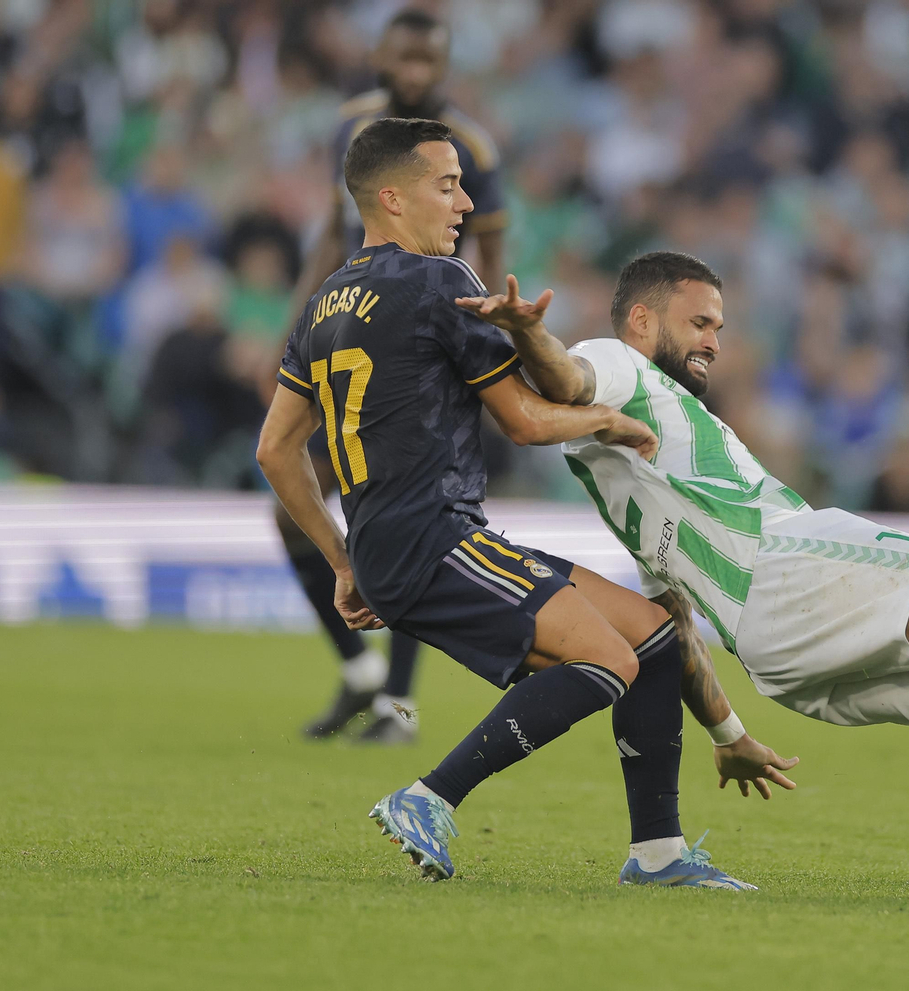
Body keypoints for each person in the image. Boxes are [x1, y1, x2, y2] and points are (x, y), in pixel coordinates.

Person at [456, 250, 909, 893]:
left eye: (719, 326)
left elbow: (673, 626)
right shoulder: (619, 364)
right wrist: (533, 331)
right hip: (782, 563)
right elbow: (568, 380)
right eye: (699, 323)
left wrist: (729, 733)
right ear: (640, 321)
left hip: (775, 657)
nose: (715, 341)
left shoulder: (630, 479)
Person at [258, 119, 792, 888]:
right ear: (392, 196)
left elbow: (276, 449)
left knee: (651, 640)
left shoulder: (323, 303)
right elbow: (525, 418)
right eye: (447, 185)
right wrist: (606, 418)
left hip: (398, 543)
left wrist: (344, 559)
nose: (467, 203)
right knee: (605, 657)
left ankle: (659, 854)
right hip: (435, 536)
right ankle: (429, 795)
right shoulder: (439, 282)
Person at [280, 9, 510, 743]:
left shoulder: (472, 148)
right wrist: (294, 328)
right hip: (348, 328)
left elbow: (491, 256)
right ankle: (361, 675)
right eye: (404, 58)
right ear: (379, 55)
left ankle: (398, 709)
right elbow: (330, 228)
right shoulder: (354, 130)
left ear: (445, 66)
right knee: (290, 507)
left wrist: (490, 349)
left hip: (423, 344)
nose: (415, 73)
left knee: (413, 522)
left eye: (429, 62)